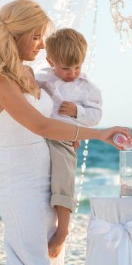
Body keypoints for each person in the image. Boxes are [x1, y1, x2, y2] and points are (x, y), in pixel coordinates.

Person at [0, 0, 131, 265]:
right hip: (20, 186)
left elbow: (59, 123)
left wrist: (76, 130)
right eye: (35, 36)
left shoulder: (33, 76)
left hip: (48, 182)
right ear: (16, 35)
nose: (40, 44)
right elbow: (42, 125)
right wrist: (100, 134)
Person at [36, 28, 102, 221]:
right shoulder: (41, 78)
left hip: (64, 137)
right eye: (65, 68)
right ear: (50, 62)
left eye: (77, 67)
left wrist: (77, 111)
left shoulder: (86, 88)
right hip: (38, 133)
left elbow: (95, 116)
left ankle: (63, 223)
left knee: (63, 175)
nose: (72, 73)